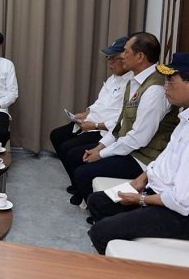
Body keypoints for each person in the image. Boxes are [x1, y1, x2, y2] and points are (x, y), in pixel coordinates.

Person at [87, 53, 189, 254]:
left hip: (176, 212)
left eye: (171, 80)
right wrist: (141, 179)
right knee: (97, 201)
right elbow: (166, 158)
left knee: (100, 232)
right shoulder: (184, 118)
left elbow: (181, 201)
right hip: (154, 190)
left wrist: (141, 200)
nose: (165, 86)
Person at [66, 32, 179, 204]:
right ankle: (96, 207)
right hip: (129, 148)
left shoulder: (154, 89)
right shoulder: (134, 81)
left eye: (126, 52)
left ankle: (106, 213)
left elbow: (139, 138)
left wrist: (101, 154)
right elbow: (120, 124)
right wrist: (100, 148)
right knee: (78, 157)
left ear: (140, 56)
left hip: (143, 158)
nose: (122, 56)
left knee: (83, 173)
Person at [50, 37, 132, 194]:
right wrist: (86, 113)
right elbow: (100, 102)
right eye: (108, 59)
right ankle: (76, 181)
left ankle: (81, 187)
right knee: (57, 135)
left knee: (70, 149)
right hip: (90, 122)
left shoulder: (132, 84)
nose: (110, 63)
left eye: (114, 59)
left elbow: (121, 120)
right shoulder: (113, 78)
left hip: (103, 129)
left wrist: (94, 125)